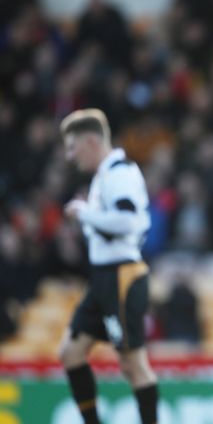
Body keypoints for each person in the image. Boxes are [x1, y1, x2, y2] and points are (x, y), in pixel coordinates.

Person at [58, 109, 158, 424]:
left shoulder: (120, 172)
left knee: (133, 363)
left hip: (122, 276)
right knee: (70, 353)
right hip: (103, 278)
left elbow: (128, 221)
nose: (70, 156)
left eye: (73, 147)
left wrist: (84, 213)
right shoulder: (104, 176)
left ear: (90, 141)